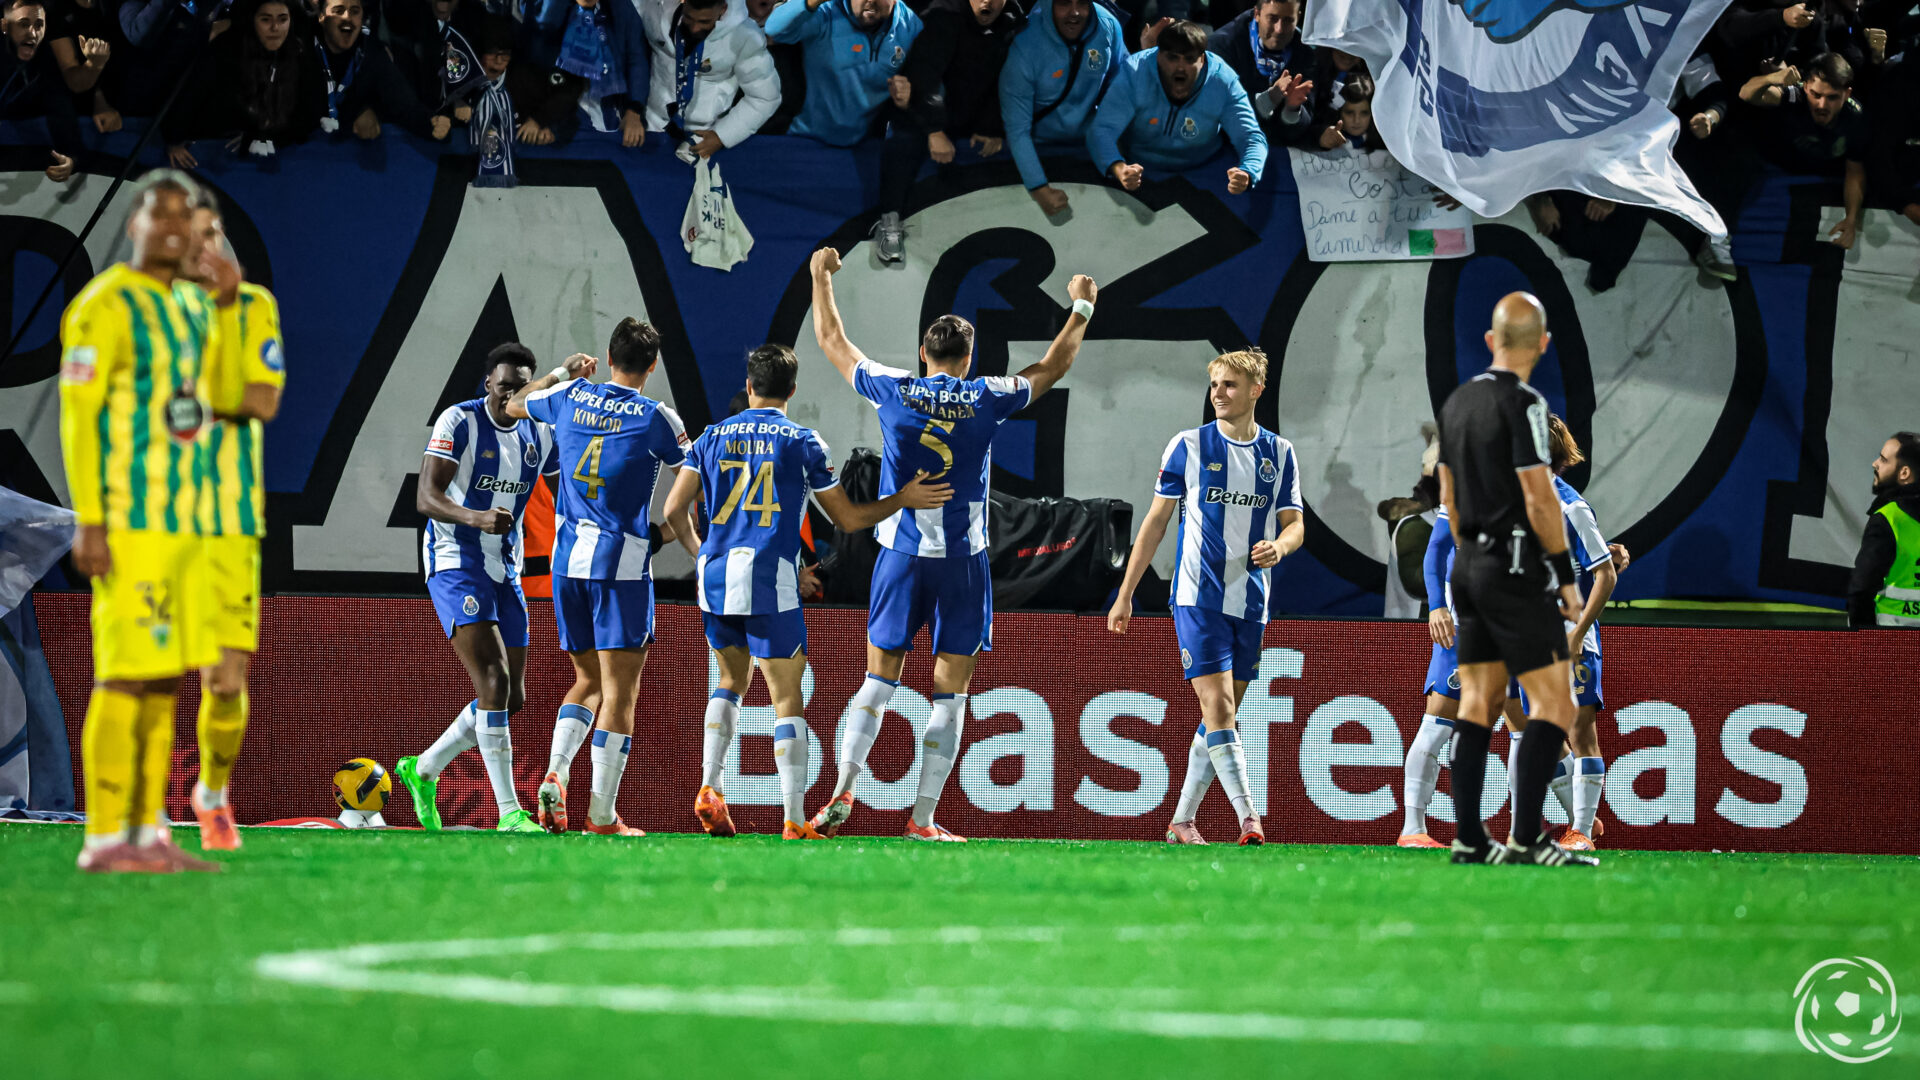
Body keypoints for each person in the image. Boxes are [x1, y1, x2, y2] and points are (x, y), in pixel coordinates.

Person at [805, 247, 1096, 841]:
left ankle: (842, 790)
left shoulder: (893, 389)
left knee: (878, 680)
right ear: (968, 360)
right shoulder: (987, 394)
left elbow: (832, 340)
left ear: (923, 354)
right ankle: (922, 818)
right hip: (962, 562)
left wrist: (820, 277)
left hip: (900, 556)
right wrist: (1082, 307)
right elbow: (1052, 366)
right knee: (951, 690)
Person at [659, 345, 954, 839]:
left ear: (749, 386)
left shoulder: (710, 437)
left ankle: (710, 784)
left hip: (714, 578)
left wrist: (700, 552)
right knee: (786, 700)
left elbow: (672, 511)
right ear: (792, 391)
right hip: (770, 580)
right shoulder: (802, 441)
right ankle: (794, 819)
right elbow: (848, 519)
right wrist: (901, 499)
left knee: (728, 682)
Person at [58, 171, 240, 873]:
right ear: (134, 223)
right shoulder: (103, 306)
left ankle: (146, 833)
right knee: (125, 677)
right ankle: (105, 837)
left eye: (187, 220)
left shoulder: (188, 310)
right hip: (131, 523)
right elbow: (79, 422)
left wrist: (225, 297)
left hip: (188, 528)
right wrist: (91, 519)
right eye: (160, 215)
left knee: (163, 680)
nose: (174, 229)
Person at [1107, 349, 1304, 847]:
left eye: (1230, 385)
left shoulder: (1279, 454)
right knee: (1219, 708)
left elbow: (1295, 524)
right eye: (1214, 383)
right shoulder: (1189, 445)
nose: (1218, 392)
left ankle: (1181, 821)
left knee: (1223, 713)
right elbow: (1156, 522)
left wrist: (1279, 547)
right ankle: (1250, 819)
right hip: (1197, 595)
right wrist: (1126, 592)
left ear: (1257, 391)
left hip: (1251, 600)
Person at [509, 320, 694, 837]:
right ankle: (601, 816)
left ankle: (555, 770)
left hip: (568, 565)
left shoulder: (570, 395)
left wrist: (559, 372)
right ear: (651, 367)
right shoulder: (658, 416)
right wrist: (675, 532)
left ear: (609, 356)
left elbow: (514, 405)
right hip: (622, 569)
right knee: (619, 695)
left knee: (587, 679)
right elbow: (693, 472)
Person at [1433, 292, 1597, 867]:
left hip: (1468, 565)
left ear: (1489, 341)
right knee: (1558, 703)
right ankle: (1528, 836)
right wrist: (1563, 576)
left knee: (1477, 702)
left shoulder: (1456, 404)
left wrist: (1470, 556)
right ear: (1544, 345)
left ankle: (1471, 839)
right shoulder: (1526, 404)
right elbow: (1539, 494)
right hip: (1516, 566)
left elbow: (1447, 496)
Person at [393, 345, 566, 835]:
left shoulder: (538, 434)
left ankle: (423, 767)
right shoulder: (459, 421)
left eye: (521, 385)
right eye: (504, 383)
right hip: (455, 561)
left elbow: (569, 474)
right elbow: (425, 496)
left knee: (511, 697)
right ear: (488, 382)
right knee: (492, 680)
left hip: (504, 568)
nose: (511, 392)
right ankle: (510, 812)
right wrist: (475, 517)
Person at [175, 198, 286, 852]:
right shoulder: (146, 314)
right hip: (157, 519)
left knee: (224, 681)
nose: (212, 247)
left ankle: (212, 793)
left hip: (229, 524)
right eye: (198, 238)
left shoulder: (253, 307)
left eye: (216, 233)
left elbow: (262, 398)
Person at [1505, 416, 1618, 852]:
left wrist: (1578, 634)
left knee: (1578, 729)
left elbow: (1605, 575)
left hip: (1568, 635)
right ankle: (1581, 819)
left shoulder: (1571, 508)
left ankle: (1583, 832)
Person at [872, 0, 1020, 261]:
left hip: (970, 113)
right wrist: (934, 130)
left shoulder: (1014, 21)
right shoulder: (943, 16)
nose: (987, 2)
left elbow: (1007, 78)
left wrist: (992, 126)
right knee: (903, 137)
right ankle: (889, 221)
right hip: (924, 110)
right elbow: (923, 76)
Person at [1088, 20, 1266, 197]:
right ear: (1159, 56)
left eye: (1189, 59)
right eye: (1172, 57)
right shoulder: (1135, 72)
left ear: (1202, 59)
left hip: (1203, 171)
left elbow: (1250, 136)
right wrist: (1119, 169)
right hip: (1139, 171)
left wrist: (1247, 172)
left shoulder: (1223, 81)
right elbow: (1102, 129)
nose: (1181, 67)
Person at [999, 0, 1128, 218]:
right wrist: (1039, 187)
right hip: (1036, 145)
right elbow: (1017, 129)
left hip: (1088, 143)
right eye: (1064, 3)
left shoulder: (1108, 26)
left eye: (1083, 3)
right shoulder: (1025, 44)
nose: (1075, 12)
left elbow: (1121, 90)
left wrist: (1114, 158)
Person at [163, 0, 327, 166]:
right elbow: (192, 95)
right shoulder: (226, 49)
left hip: (272, 152)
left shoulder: (298, 52)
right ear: (252, 20)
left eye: (282, 19)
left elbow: (311, 110)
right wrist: (174, 140)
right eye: (265, 20)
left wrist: (272, 137)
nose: (275, 28)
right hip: (217, 145)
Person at [1738, 52, 1868, 249]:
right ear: (1806, 86)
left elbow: (1854, 170)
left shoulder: (1855, 116)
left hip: (1826, 173)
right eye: (1816, 95)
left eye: (1832, 98)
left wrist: (1851, 219)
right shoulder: (1794, 95)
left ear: (1847, 94)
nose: (1822, 105)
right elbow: (1746, 94)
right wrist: (1771, 79)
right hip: (1776, 164)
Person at [764, 0, 921, 148]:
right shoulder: (826, 12)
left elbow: (931, 84)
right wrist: (810, 2)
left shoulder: (910, 25)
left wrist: (911, 98)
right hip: (804, 139)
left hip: (865, 147)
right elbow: (774, 29)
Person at [639, 0, 780, 158]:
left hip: (702, 136)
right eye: (689, 18)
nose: (694, 28)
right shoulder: (653, 9)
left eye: (704, 21)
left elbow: (766, 97)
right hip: (648, 125)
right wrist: (633, 110)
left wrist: (722, 136)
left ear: (723, 9)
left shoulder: (745, 35)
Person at [313, 0, 450, 140]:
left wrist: (432, 123)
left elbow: (404, 104)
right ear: (321, 16)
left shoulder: (371, 51)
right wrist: (358, 113)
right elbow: (301, 116)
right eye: (338, 11)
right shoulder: (303, 49)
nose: (347, 18)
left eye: (355, 11)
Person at [525, 0, 650, 145]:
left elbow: (636, 58)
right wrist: (542, 117)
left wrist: (634, 111)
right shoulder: (552, 7)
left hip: (607, 108)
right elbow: (536, 56)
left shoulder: (620, 7)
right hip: (559, 106)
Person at [1205, 0, 1315, 147]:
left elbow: (1300, 130)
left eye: (1288, 20)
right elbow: (1216, 117)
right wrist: (1267, 100)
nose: (1279, 29)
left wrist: (1292, 110)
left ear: (1299, 18)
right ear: (1257, 14)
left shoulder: (1306, 53)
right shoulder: (1221, 48)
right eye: (1272, 18)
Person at [2, 0, 84, 182]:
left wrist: (71, 159)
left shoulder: (46, 65)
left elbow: (59, 102)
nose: (32, 32)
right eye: (23, 24)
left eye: (39, 25)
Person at [1847, 432, 1920, 628]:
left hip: (1890, 645)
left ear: (1904, 473)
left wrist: (1863, 642)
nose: (1875, 463)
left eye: (1883, 459)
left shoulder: (1889, 519)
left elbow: (1862, 589)